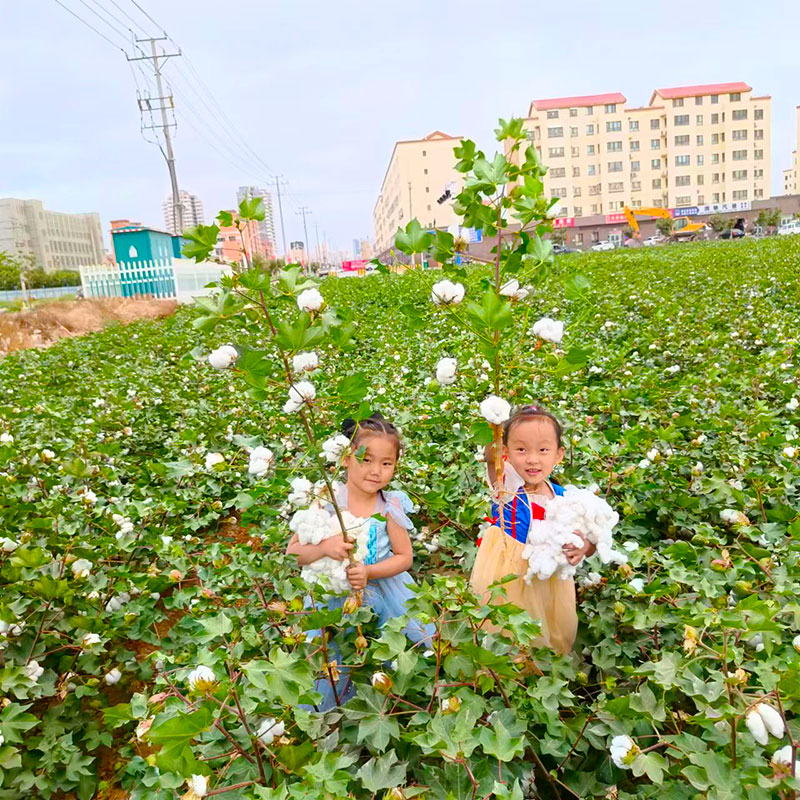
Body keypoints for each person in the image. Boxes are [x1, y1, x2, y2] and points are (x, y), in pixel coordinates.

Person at [287, 412, 433, 710]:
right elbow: (294, 553)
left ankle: (386, 706)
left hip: (386, 592)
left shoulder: (389, 505)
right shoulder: (327, 500)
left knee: (395, 652)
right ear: (345, 458)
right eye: (365, 460)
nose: (375, 471)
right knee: (333, 659)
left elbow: (405, 558)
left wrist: (368, 570)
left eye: (386, 463)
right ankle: (334, 712)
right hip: (333, 598)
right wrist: (326, 547)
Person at [470, 404, 595, 654]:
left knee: (548, 631)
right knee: (506, 631)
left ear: (559, 455)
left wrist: (584, 548)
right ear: (506, 452)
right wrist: (495, 425)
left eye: (543, 450)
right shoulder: (506, 487)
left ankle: (542, 677)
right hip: (507, 574)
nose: (532, 459)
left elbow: (588, 539)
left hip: (548, 581)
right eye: (521, 449)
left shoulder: (562, 497)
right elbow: (492, 458)